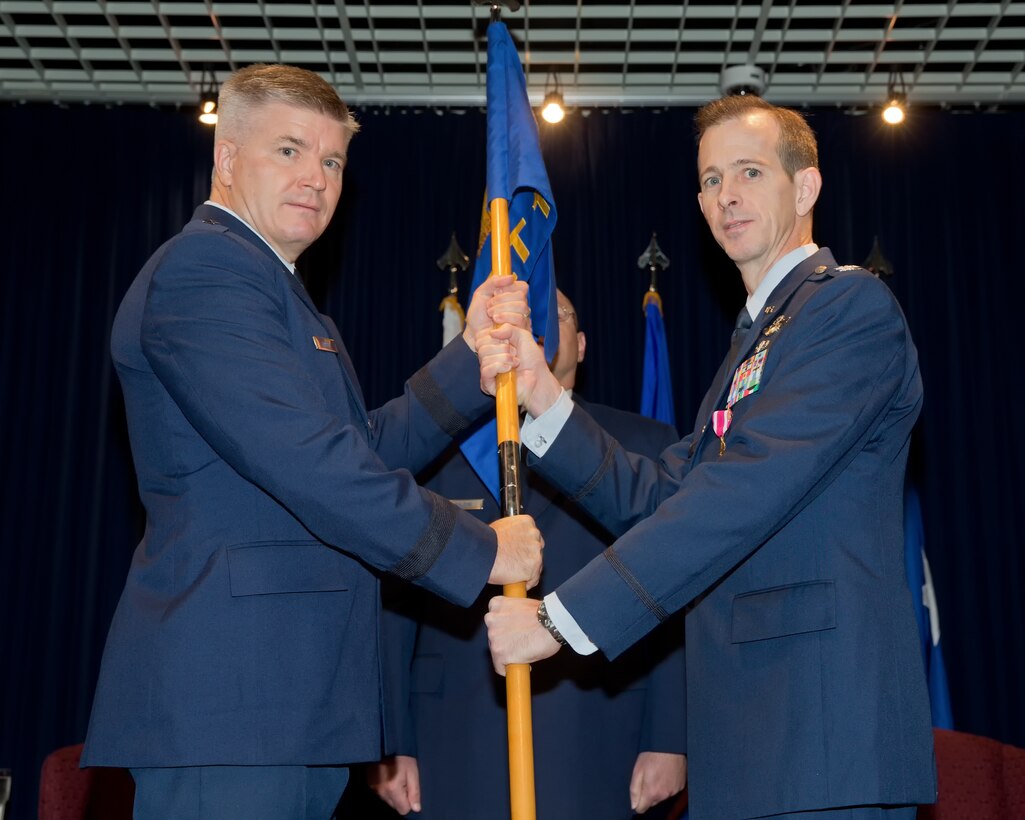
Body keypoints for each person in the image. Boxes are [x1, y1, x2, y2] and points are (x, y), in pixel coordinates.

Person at [81, 63, 543, 819]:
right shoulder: (207, 272)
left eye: (330, 161)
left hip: (285, 704)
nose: (315, 178)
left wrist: (469, 363)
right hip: (234, 705)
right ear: (227, 159)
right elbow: (314, 467)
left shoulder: (273, 288)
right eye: (288, 151)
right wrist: (480, 551)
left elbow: (356, 450)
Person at [479, 94, 936, 819]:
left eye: (749, 172)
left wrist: (561, 620)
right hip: (750, 743)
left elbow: (744, 490)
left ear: (806, 186)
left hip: (822, 745)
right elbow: (665, 493)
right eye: (710, 179)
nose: (726, 196)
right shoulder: (753, 343)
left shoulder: (848, 311)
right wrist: (542, 397)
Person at [360, 289, 687, 819]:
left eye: (555, 316)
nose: (534, 324)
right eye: (522, 312)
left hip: (600, 722)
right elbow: (395, 594)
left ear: (580, 346)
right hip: (452, 725)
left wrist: (670, 736)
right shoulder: (436, 443)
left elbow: (673, 588)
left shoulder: (644, 446)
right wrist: (391, 740)